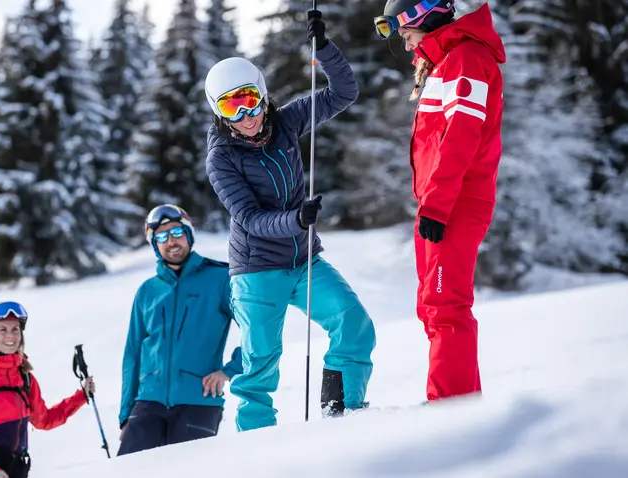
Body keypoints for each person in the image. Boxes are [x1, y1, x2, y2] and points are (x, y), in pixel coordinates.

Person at [204, 9, 377, 432]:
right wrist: (296, 220)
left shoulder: (286, 121)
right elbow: (249, 218)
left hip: (303, 261)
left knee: (353, 323)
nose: (246, 114)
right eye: (232, 105)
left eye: (248, 98)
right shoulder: (222, 158)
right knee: (260, 363)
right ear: (220, 112)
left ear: (262, 93)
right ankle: (258, 445)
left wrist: (325, 51)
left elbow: (343, 93)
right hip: (257, 271)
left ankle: (343, 412)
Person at [373, 0, 505, 402]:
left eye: (404, 30)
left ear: (425, 15)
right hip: (439, 201)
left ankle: (453, 412)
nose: (405, 42)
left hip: (455, 202)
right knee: (431, 306)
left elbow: (462, 137)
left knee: (446, 307)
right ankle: (454, 401)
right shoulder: (445, 62)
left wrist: (436, 205)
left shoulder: (466, 57)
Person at [118, 204, 243, 455]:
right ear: (155, 244)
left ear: (189, 235)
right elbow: (133, 353)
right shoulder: (147, 291)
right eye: (161, 237)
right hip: (148, 403)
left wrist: (230, 370)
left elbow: (256, 330)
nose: (171, 241)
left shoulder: (220, 279)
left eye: (176, 232)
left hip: (198, 401)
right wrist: (125, 414)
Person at [0, 301, 95, 478]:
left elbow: (45, 420)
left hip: (14, 471)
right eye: (2, 330)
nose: (10, 336)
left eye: (15, 329)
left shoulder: (25, 377)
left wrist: (81, 396)